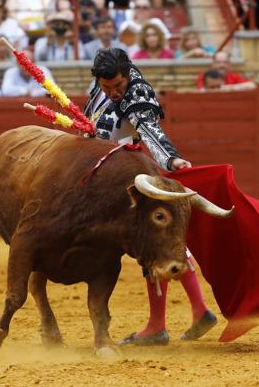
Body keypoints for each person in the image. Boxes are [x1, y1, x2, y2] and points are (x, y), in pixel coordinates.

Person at [84, 48, 216, 345]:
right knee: (156, 243)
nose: (114, 92)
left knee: (152, 245)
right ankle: (198, 310)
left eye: (118, 86)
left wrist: (172, 160)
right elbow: (92, 123)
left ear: (127, 74)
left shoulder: (138, 93)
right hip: (106, 177)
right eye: (107, 87)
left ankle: (159, 325)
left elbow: (149, 129)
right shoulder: (99, 87)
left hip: (133, 180)